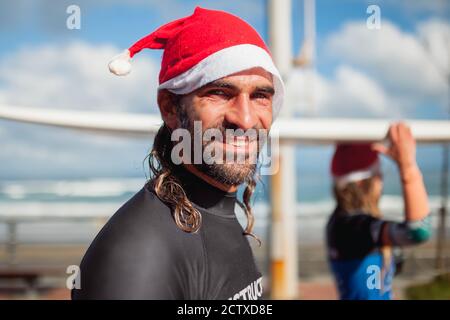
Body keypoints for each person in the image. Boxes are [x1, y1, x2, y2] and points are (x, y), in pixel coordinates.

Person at [71, 7, 284, 300]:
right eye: (220, 93)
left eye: (260, 96)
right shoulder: (139, 255)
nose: (245, 120)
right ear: (170, 107)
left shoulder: (216, 209)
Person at [326, 122, 431, 300]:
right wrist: (408, 168)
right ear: (361, 183)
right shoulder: (351, 226)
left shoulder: (344, 222)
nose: (381, 182)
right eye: (378, 175)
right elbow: (417, 231)